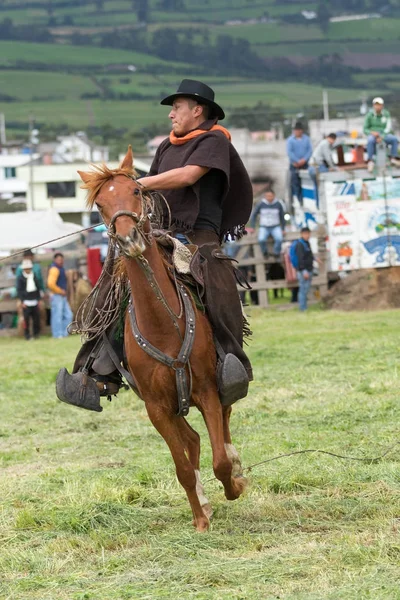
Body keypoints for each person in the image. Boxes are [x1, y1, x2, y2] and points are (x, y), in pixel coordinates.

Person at [57, 79, 254, 411]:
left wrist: (138, 183)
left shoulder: (214, 141)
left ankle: (230, 362)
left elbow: (188, 176)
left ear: (197, 110)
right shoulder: (166, 146)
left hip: (199, 235)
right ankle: (94, 370)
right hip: (160, 232)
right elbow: (149, 196)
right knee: (114, 284)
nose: (171, 115)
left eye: (176, 107)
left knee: (218, 282)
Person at [364, 97, 399, 172]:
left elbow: (388, 128)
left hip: (384, 134)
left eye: (379, 104)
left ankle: (393, 158)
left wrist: (382, 136)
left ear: (382, 105)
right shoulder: (369, 115)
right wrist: (372, 133)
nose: (378, 106)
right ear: (373, 105)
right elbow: (365, 129)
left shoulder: (386, 114)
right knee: (370, 141)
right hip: (373, 134)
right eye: (376, 104)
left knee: (394, 139)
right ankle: (370, 160)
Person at [249, 190, 285, 257]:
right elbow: (254, 215)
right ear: (265, 196)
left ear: (274, 196)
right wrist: (252, 227)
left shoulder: (278, 204)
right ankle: (265, 252)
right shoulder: (261, 204)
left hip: (275, 226)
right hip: (264, 226)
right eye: (267, 196)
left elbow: (282, 217)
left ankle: (276, 253)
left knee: (279, 238)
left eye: (271, 196)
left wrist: (283, 229)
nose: (269, 197)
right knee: (261, 239)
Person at [47, 252, 73, 338]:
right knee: (57, 315)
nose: (60, 261)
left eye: (61, 259)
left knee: (68, 314)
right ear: (55, 260)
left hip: (62, 295)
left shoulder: (60, 268)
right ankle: (58, 334)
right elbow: (50, 284)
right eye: (58, 259)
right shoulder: (54, 269)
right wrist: (59, 291)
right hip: (56, 295)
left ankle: (64, 333)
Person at [308, 133, 338, 206]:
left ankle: (318, 205)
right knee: (324, 186)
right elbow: (328, 158)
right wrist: (333, 168)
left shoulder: (322, 143)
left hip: (312, 167)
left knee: (317, 187)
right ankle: (324, 205)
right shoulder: (326, 143)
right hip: (317, 167)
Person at [287, 122, 312, 205]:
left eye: (299, 130)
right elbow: (289, 152)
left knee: (307, 182)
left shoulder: (306, 139)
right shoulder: (290, 140)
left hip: (305, 164)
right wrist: (297, 161)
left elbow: (309, 150)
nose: (297, 132)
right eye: (296, 130)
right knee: (295, 183)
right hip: (295, 165)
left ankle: (308, 199)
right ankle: (299, 200)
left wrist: (304, 160)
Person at [16, 259, 42, 340]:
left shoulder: (34, 276)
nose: (27, 270)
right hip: (26, 301)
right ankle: (27, 335)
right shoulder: (20, 278)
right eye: (26, 268)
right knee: (26, 320)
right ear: (23, 269)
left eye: (29, 268)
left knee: (36, 319)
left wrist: (38, 299)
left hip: (34, 300)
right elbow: (19, 290)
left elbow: (38, 288)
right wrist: (22, 301)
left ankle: (36, 334)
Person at [295, 227, 314, 312]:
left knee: (306, 289)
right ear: (302, 234)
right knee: (303, 289)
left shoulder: (307, 243)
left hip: (309, 269)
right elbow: (300, 258)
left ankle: (304, 307)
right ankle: (302, 308)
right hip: (304, 270)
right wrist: (303, 270)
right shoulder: (300, 244)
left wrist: (315, 258)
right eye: (305, 234)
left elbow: (309, 255)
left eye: (308, 233)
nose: (307, 235)